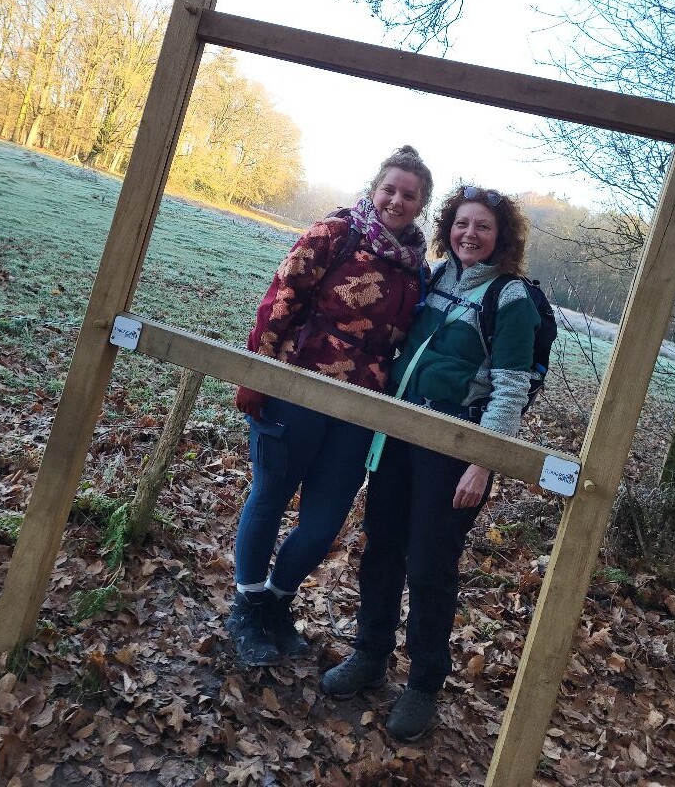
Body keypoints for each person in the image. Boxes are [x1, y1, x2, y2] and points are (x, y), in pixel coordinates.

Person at [321, 185, 540, 742]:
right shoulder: (437, 275)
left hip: (454, 449)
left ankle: (423, 684)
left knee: (429, 564)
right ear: (448, 228)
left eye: (483, 226)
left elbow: (511, 388)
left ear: (502, 237)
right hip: (399, 433)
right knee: (382, 545)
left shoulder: (511, 297)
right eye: (462, 223)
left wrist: (483, 463)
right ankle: (370, 654)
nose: (470, 234)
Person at [227, 145, 434, 668]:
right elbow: (281, 297)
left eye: (409, 195)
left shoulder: (418, 269)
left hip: (360, 406)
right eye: (389, 189)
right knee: (271, 495)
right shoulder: (336, 234)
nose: (397, 201)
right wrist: (256, 372)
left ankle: (276, 602)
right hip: (297, 385)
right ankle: (246, 608)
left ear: (422, 204)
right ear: (374, 189)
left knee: (324, 522)